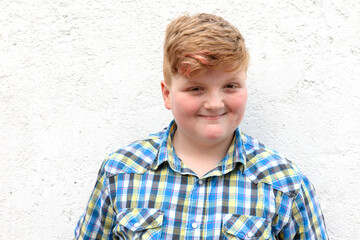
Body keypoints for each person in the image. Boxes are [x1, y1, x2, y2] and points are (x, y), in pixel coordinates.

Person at [75, 13, 328, 239]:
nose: (215, 103)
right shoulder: (120, 173)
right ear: (167, 94)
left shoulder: (284, 183)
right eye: (196, 88)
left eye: (230, 86)